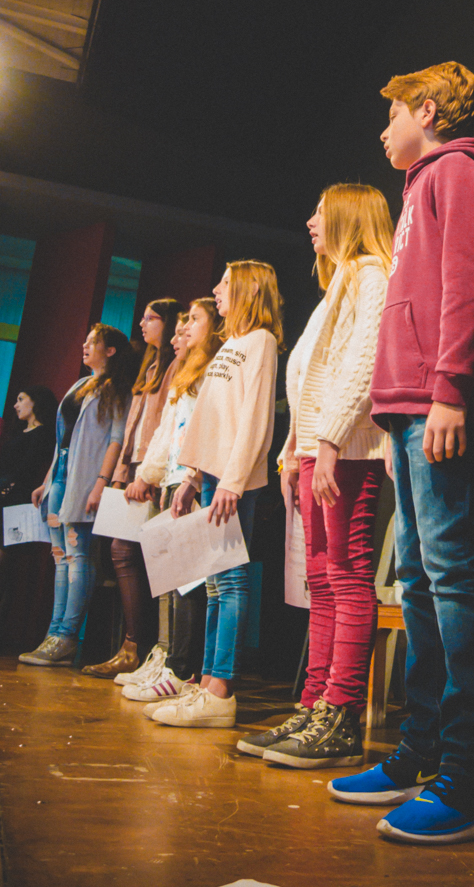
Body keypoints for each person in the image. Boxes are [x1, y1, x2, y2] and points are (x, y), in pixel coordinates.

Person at [328, 62, 474, 844]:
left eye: (395, 113)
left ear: (429, 111)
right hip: (409, 409)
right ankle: (423, 751)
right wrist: (393, 408)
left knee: (452, 574)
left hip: (442, 402)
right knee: (416, 579)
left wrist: (450, 389)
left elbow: (470, 285)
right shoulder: (418, 188)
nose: (384, 129)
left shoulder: (459, 171)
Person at [238, 184, 393, 767]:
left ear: (348, 218)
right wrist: (291, 451)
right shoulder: (338, 287)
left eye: (321, 213)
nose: (309, 222)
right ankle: (314, 704)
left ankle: (342, 713)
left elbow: (363, 363)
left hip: (345, 447)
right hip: (317, 449)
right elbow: (307, 379)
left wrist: (328, 441)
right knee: (321, 580)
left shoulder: (372, 274)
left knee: (347, 575)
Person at [148, 261, 282, 729]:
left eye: (225, 283)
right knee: (213, 582)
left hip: (230, 479)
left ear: (249, 289)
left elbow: (256, 418)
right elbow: (210, 419)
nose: (216, 289)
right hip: (210, 476)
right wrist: (190, 477)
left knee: (232, 580)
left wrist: (233, 480)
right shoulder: (232, 343)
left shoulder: (261, 341)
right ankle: (205, 682)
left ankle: (221, 687)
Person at [121, 299, 223, 704]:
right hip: (173, 478)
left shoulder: (213, 368)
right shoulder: (185, 372)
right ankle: (170, 661)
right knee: (173, 578)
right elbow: (167, 430)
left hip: (190, 479)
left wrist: (192, 477)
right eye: (180, 327)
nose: (182, 333)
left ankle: (183, 667)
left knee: (191, 582)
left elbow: (206, 427)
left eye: (192, 322)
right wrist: (151, 472)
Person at [18, 326, 135, 666]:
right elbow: (63, 438)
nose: (84, 346)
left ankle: (67, 636)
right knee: (61, 557)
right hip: (61, 478)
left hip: (85, 480)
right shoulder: (80, 385)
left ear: (110, 350)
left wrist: (101, 483)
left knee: (79, 555)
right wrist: (47, 480)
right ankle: (53, 634)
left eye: (92, 342)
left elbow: (116, 439)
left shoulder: (116, 388)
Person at [81, 298, 181, 679]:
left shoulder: (175, 365)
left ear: (168, 322)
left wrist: (148, 474)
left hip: (152, 471)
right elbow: (133, 426)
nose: (142, 323)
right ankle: (135, 646)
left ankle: (144, 648)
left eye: (151, 318)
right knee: (123, 552)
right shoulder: (149, 365)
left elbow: (166, 425)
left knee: (138, 555)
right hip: (135, 469)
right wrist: (122, 473)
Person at [0, 386, 57, 632]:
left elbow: (26, 469)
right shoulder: (18, 433)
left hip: (18, 506)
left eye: (21, 399)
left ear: (36, 402)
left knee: (6, 565)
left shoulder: (43, 434)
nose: (16, 405)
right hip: (5, 501)